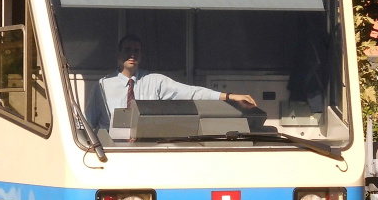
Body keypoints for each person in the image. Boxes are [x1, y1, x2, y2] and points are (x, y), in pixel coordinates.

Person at [88, 35, 258, 131]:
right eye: (128, 50)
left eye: (136, 50)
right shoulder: (103, 85)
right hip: (112, 150)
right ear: (119, 53)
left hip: (142, 148)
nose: (132, 54)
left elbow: (192, 92)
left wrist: (230, 96)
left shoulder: (155, 81)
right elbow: (90, 122)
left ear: (141, 55)